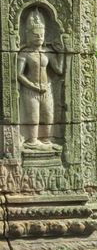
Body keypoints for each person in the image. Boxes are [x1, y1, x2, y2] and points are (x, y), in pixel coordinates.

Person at [17, 9, 65, 151]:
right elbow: (19, 74)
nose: (39, 37)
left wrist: (61, 53)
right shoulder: (25, 53)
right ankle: (32, 141)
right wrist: (32, 86)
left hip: (47, 88)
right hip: (30, 90)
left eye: (42, 35)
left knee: (49, 115)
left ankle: (46, 140)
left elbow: (59, 70)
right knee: (33, 117)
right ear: (27, 34)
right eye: (35, 34)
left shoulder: (47, 53)